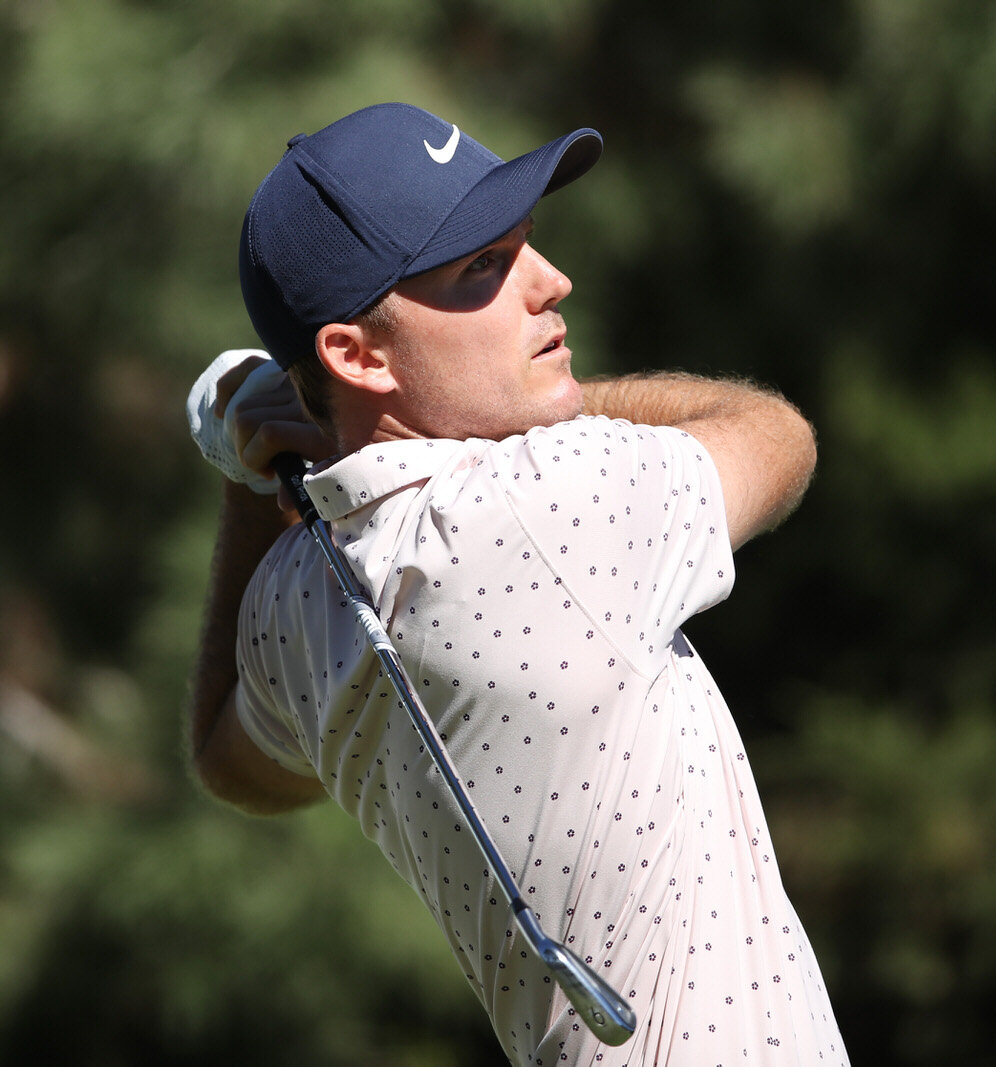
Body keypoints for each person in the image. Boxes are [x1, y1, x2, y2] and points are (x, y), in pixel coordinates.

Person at [188, 102, 849, 1066]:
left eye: (523, 246)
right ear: (357, 355)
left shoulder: (295, 598)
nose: (550, 282)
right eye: (483, 269)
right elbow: (773, 432)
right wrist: (538, 414)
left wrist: (254, 475)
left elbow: (225, 759)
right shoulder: (553, 506)